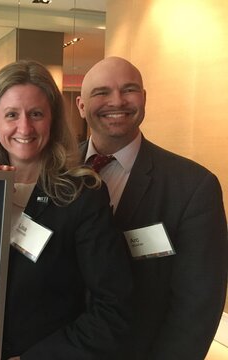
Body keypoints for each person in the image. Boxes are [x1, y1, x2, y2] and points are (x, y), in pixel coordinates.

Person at [0, 60, 132, 359]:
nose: (24, 127)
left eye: (36, 114)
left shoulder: (83, 197)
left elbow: (113, 307)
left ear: (52, 120)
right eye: (11, 115)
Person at [76, 56, 227, 359]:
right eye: (101, 92)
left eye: (129, 89)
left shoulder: (194, 187)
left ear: (144, 98)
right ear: (81, 105)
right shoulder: (56, 173)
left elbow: (197, 308)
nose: (117, 101)